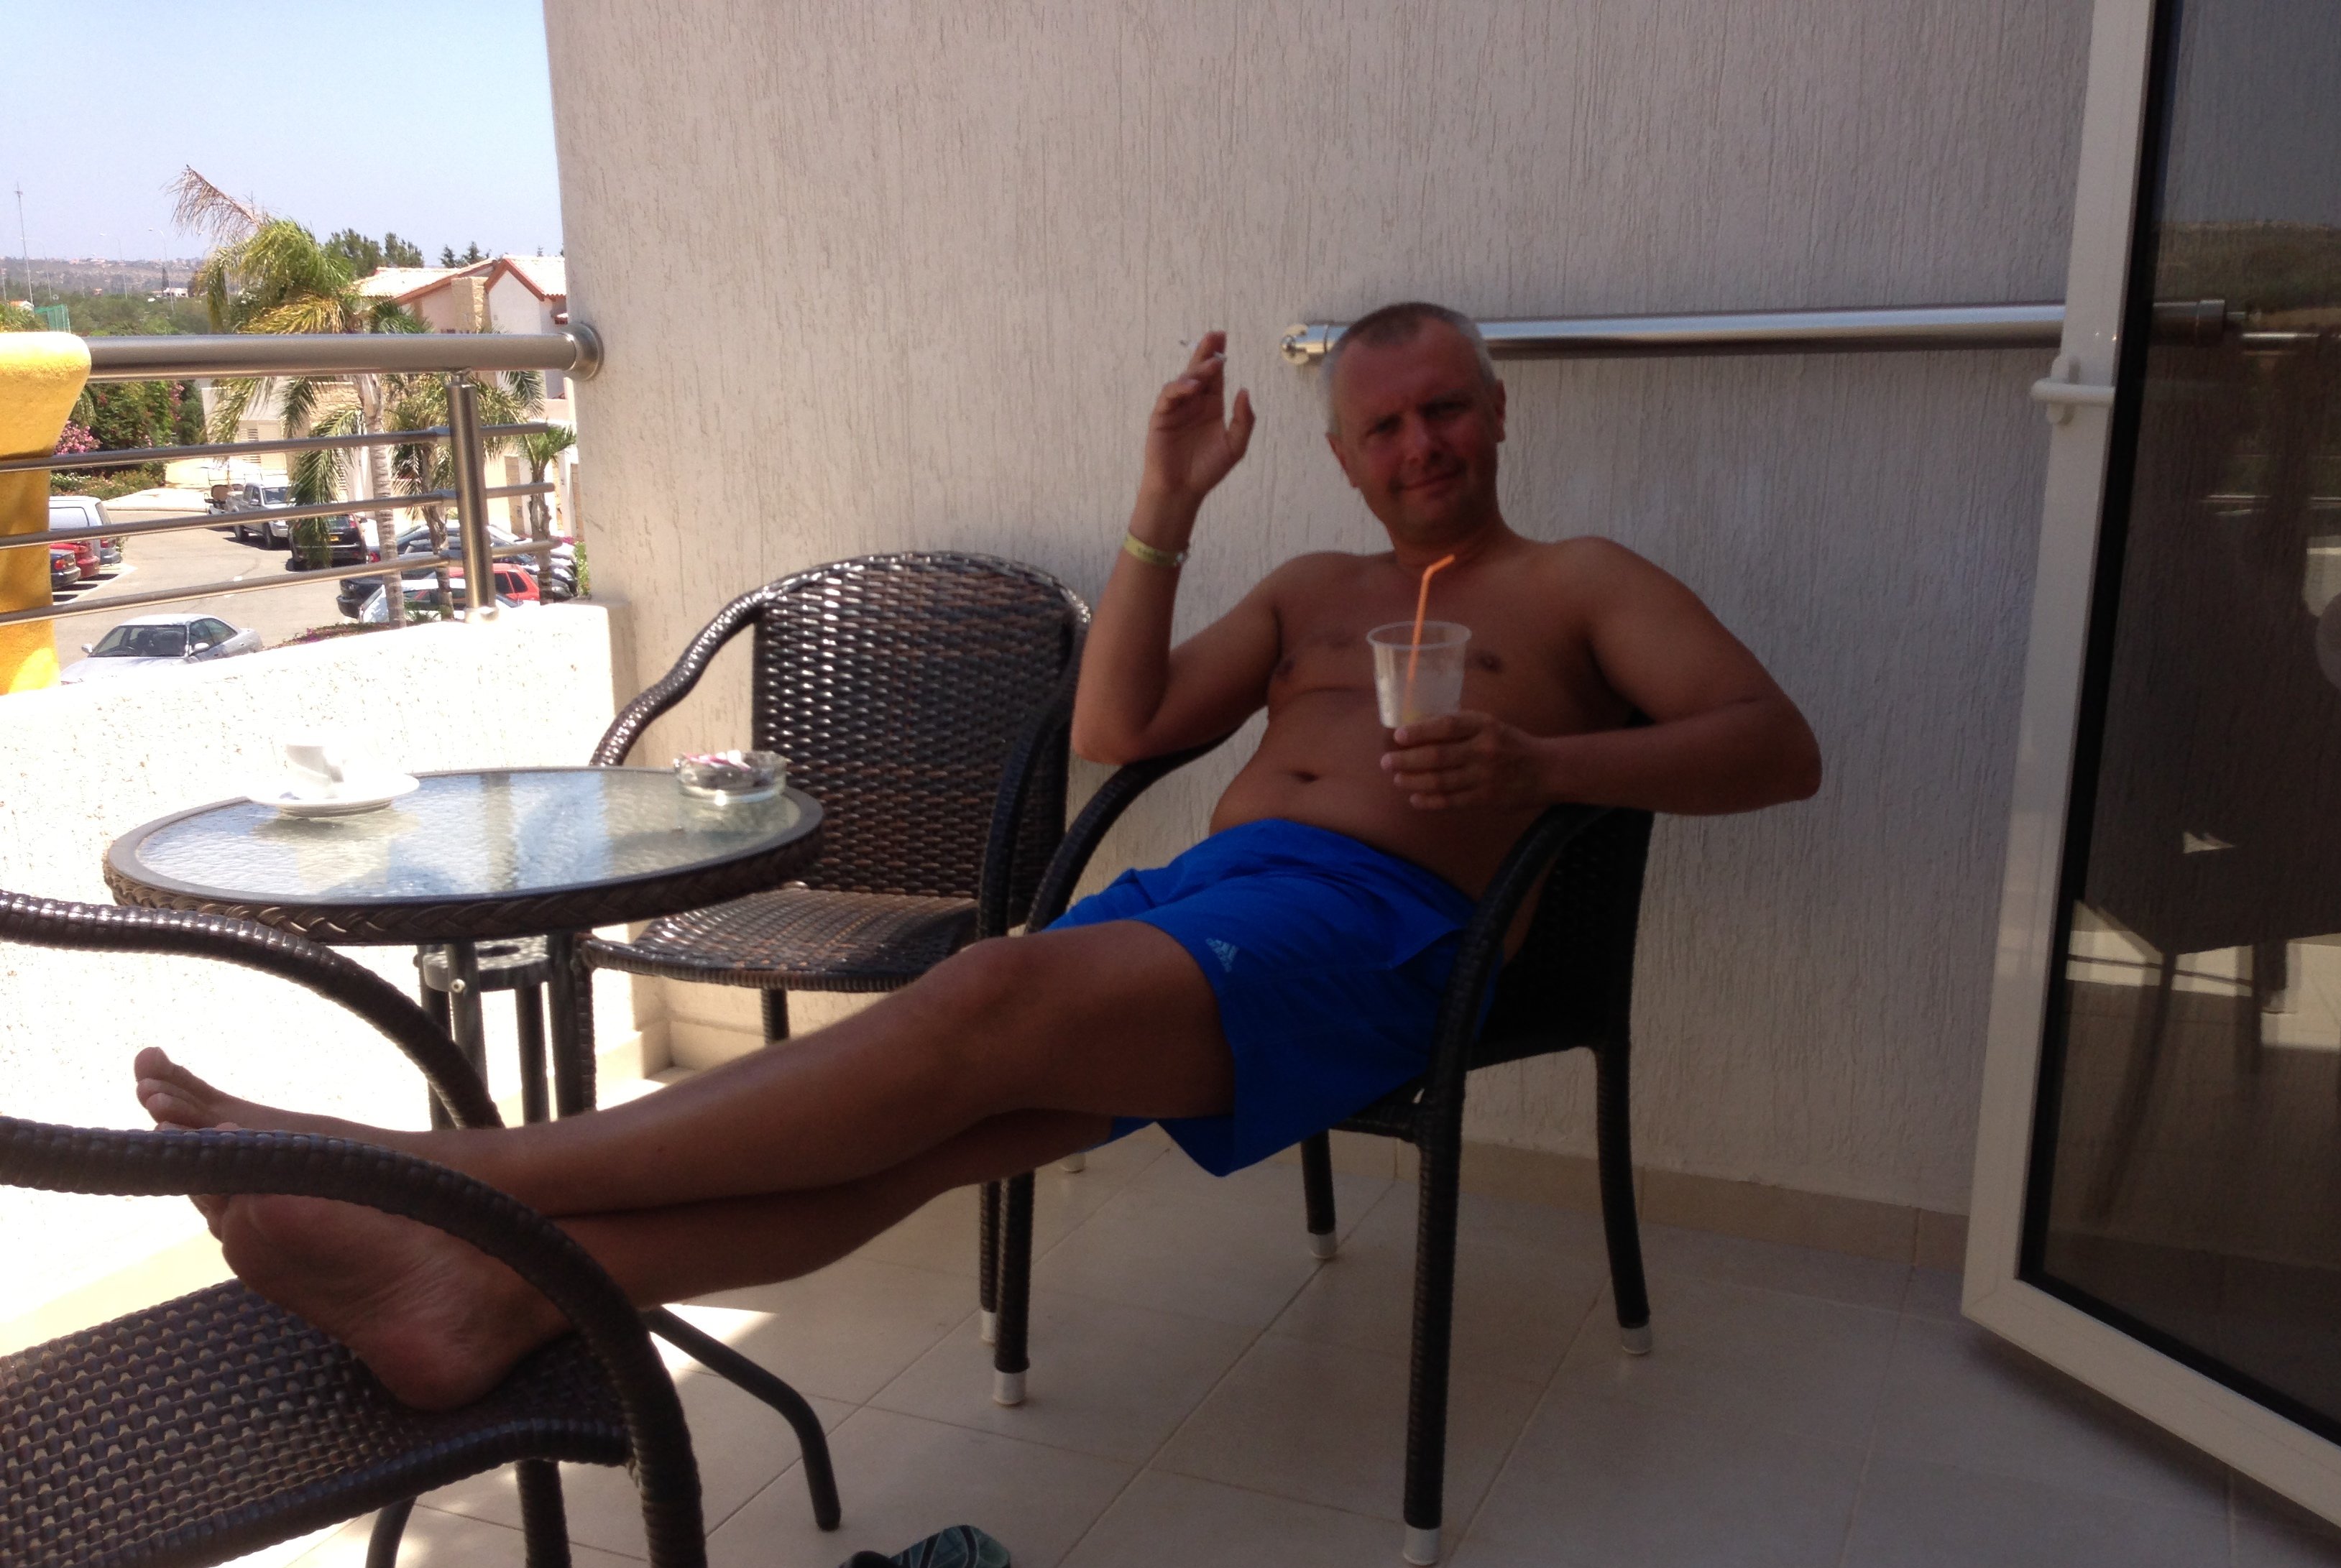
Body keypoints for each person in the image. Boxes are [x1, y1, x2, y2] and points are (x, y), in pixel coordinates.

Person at [134, 301, 1820, 1410]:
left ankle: (446, 1181)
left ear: (1497, 414)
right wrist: (1165, 503)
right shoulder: (1311, 590)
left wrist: (1542, 762)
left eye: (1446, 411)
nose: (1420, 447)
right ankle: (489, 1310)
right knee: (937, 1137)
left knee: (980, 997)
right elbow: (1121, 722)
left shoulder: (1582, 582)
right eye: (1383, 428)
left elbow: (1774, 747)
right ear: (1342, 456)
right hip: (1208, 915)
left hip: (1388, 940)